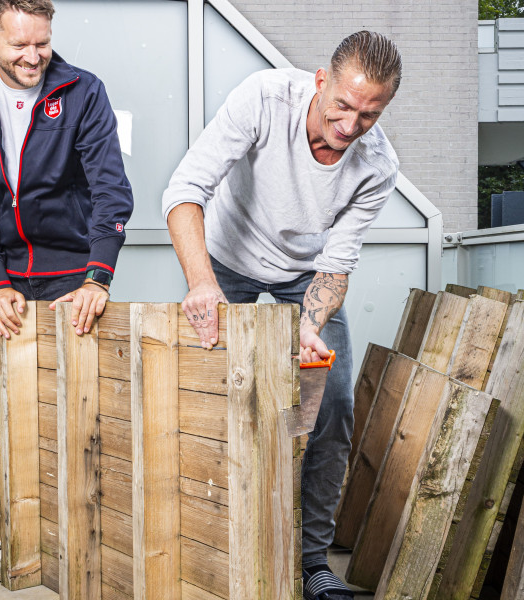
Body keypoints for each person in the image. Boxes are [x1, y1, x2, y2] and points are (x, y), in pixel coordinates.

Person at [163, 30, 401, 600]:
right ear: (321, 81)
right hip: (225, 262)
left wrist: (309, 328)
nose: (349, 127)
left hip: (306, 274)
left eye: (368, 115)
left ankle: (312, 561)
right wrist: (202, 284)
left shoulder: (377, 166)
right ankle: (205, 546)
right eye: (342, 105)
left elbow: (336, 265)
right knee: (205, 397)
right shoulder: (264, 98)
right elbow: (185, 190)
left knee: (334, 401)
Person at [0, 0, 133, 583]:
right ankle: (18, 542)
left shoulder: (83, 92)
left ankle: (88, 546)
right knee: (5, 417)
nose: (33, 57)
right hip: (7, 283)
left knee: (85, 414)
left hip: (75, 278)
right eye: (19, 44)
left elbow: (111, 188)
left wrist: (98, 277)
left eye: (43, 44)